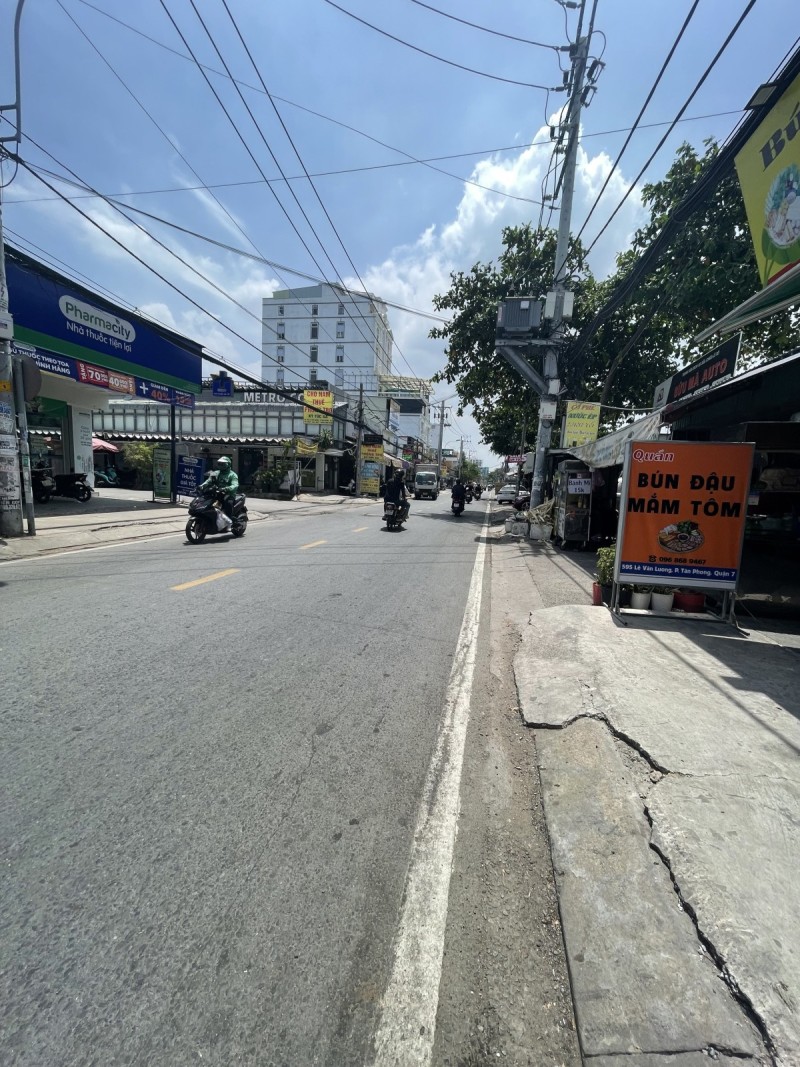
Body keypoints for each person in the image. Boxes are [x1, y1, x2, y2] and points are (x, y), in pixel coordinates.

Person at [200, 456, 239, 528]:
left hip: (228, 494)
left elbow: (235, 485)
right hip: (217, 493)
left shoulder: (232, 475)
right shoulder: (215, 473)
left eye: (223, 464)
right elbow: (208, 481)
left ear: (228, 464)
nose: (221, 465)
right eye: (219, 463)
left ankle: (229, 522)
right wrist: (202, 486)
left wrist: (226, 488)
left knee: (228, 503)